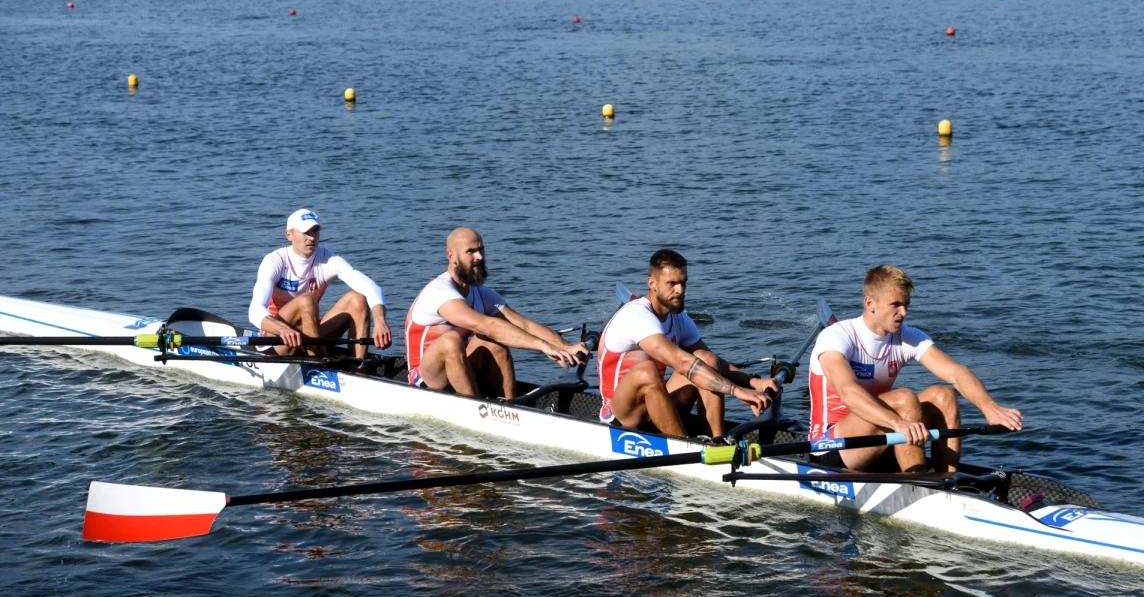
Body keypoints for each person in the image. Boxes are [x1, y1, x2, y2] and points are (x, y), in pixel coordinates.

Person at [808, 265, 1022, 473]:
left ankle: (946, 478)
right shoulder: (837, 337)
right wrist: (897, 423)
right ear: (870, 303)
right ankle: (917, 482)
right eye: (896, 305)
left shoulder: (906, 337)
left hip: (883, 434)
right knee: (905, 398)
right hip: (830, 445)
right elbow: (848, 393)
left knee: (943, 395)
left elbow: (956, 373)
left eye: (906, 305)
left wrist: (989, 408)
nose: (904, 312)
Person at [597, 250, 776, 439]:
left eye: (683, 283)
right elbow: (682, 363)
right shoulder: (636, 316)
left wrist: (752, 381)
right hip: (622, 416)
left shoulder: (679, 318)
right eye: (672, 284)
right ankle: (683, 449)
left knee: (706, 359)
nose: (680, 291)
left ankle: (717, 442)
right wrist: (737, 391)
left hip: (656, 404)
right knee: (646, 370)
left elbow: (713, 362)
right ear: (652, 283)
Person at [404, 228, 588, 398]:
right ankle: (474, 408)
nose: (479, 257)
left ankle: (508, 409)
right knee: (453, 340)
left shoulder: (481, 293)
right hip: (425, 379)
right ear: (451, 256)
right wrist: (542, 346)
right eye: (470, 252)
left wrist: (565, 347)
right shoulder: (438, 291)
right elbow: (487, 325)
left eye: (481, 250)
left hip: (458, 370)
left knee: (494, 341)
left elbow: (523, 324)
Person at [248, 209, 391, 359]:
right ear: (289, 235)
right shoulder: (275, 261)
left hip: (310, 335)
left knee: (358, 298)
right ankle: (317, 365)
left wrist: (380, 321)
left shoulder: (327, 259)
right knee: (307, 300)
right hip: (276, 340)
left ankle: (358, 369)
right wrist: (283, 330)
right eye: (305, 232)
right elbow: (255, 310)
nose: (311, 237)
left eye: (315, 231)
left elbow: (371, 287)